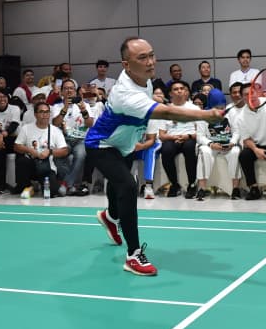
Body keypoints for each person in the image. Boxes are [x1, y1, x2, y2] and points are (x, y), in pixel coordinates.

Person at [85, 37, 224, 276]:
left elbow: (156, 105)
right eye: (142, 58)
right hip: (101, 145)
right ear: (126, 64)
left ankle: (110, 217)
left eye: (151, 55)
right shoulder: (124, 93)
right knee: (128, 186)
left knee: (119, 187)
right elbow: (169, 111)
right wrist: (204, 114)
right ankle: (133, 255)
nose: (150, 62)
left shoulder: (145, 82)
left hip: (124, 145)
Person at [13, 102, 68, 199]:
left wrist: (50, 152)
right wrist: (29, 150)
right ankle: (28, 186)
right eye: (41, 112)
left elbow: (64, 150)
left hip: (46, 167)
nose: (45, 115)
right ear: (35, 114)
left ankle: (43, 185)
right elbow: (16, 146)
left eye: (47, 112)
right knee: (21, 160)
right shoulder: (26, 128)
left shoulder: (55, 130)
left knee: (52, 193)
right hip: (31, 164)